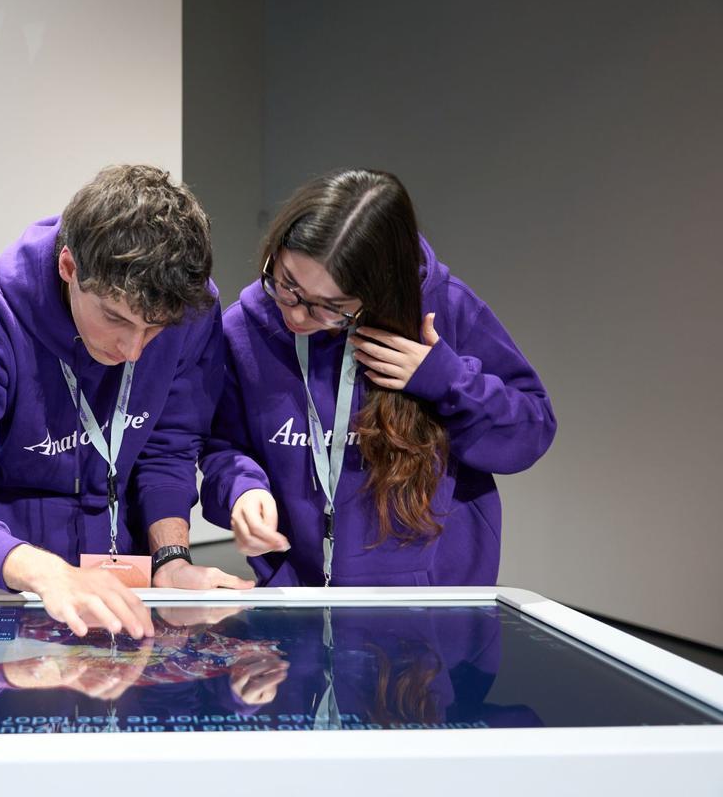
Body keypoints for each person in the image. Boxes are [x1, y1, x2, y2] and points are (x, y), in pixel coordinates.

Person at [0, 164, 253, 639]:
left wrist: (171, 560)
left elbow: (167, 449)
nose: (133, 351)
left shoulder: (188, 309)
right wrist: (48, 574)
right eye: (115, 318)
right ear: (69, 267)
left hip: (126, 580)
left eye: (154, 330)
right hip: (7, 584)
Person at [200, 169, 556, 587]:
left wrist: (445, 379)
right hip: (300, 600)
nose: (295, 314)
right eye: (286, 284)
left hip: (433, 612)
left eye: (328, 307)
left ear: (380, 292)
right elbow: (222, 445)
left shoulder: (447, 308)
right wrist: (243, 489)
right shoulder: (243, 330)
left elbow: (531, 429)